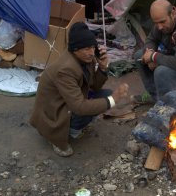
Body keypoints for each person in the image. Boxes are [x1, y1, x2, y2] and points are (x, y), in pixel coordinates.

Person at [30, 22, 129, 157]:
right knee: (105, 101)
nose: (91, 53)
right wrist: (113, 100)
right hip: (54, 113)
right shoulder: (66, 69)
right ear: (75, 49)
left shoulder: (86, 58)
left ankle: (74, 127)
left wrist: (103, 68)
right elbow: (79, 107)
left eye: (92, 48)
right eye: (86, 49)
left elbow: (94, 86)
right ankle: (57, 137)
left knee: (105, 95)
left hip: (69, 101)